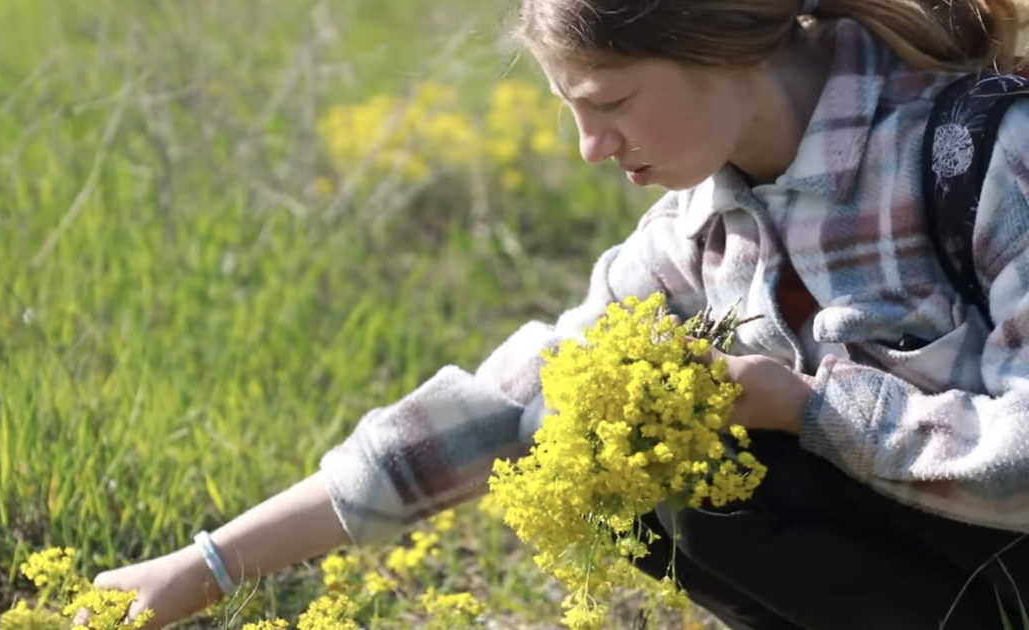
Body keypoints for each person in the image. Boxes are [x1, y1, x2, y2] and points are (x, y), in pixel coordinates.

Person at [77, 0, 1029, 628]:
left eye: (609, 100)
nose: (589, 146)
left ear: (718, 48)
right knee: (637, 464)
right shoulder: (696, 240)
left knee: (724, 472)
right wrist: (204, 568)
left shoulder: (985, 156)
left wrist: (806, 409)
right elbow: (494, 416)